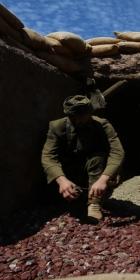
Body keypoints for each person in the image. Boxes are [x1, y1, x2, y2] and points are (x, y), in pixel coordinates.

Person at [41, 95, 124, 224]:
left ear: (90, 114)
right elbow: (48, 156)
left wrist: (104, 179)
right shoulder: (56, 127)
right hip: (67, 171)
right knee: (49, 201)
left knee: (98, 158)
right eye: (72, 117)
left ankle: (94, 204)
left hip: (94, 169)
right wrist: (62, 181)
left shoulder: (102, 126)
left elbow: (117, 152)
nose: (77, 121)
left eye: (81, 117)